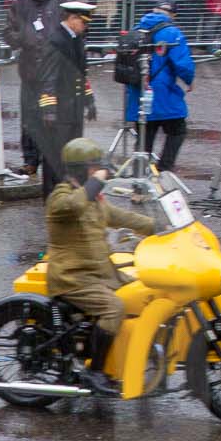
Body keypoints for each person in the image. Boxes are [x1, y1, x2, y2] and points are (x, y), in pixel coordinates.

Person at [45, 139, 155, 384]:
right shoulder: (60, 198)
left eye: (97, 168)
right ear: (80, 170)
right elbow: (73, 206)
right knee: (113, 308)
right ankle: (94, 371)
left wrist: (158, 227)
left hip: (100, 273)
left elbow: (119, 216)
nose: (98, 173)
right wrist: (96, 182)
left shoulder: (93, 199)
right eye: (93, 168)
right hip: (73, 278)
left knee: (146, 292)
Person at [5, 0, 65, 180]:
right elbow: (8, 34)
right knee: (29, 117)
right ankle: (30, 160)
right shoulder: (21, 3)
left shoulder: (60, 0)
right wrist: (23, 36)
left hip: (54, 70)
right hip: (29, 70)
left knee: (51, 115)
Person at [36, 0, 97, 196]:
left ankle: (69, 193)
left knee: (74, 153)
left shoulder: (76, 39)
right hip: (60, 108)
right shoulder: (56, 41)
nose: (85, 27)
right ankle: (52, 195)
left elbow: (81, 74)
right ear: (72, 19)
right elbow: (47, 78)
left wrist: (89, 100)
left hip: (74, 107)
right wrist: (49, 109)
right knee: (56, 155)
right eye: (83, 22)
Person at [137, 8, 195, 172]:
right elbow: (182, 63)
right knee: (177, 130)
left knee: (145, 135)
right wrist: (189, 80)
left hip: (140, 88)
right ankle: (164, 170)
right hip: (163, 90)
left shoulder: (137, 29)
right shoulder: (171, 32)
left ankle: (139, 177)